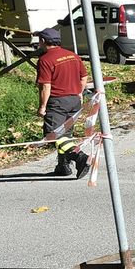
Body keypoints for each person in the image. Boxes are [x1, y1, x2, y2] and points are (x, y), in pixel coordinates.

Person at [35, 28, 91, 178]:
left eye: (39, 40)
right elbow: (84, 76)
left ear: (43, 41)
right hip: (74, 101)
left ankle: (80, 157)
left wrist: (42, 107)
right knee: (65, 134)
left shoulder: (45, 60)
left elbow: (45, 86)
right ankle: (63, 166)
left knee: (53, 135)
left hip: (57, 102)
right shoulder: (73, 55)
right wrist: (79, 93)